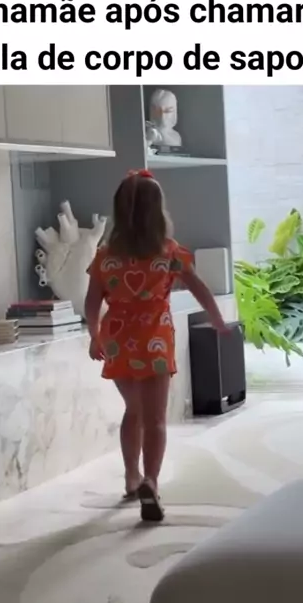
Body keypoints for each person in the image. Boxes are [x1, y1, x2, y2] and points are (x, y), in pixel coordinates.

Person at [84, 169, 229, 522]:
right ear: (158, 212)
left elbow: (91, 301)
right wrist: (216, 317)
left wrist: (94, 334)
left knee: (133, 410)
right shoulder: (169, 252)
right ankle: (151, 480)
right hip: (155, 339)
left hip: (119, 340)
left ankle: (131, 476)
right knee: (156, 419)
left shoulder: (105, 256)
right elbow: (198, 287)